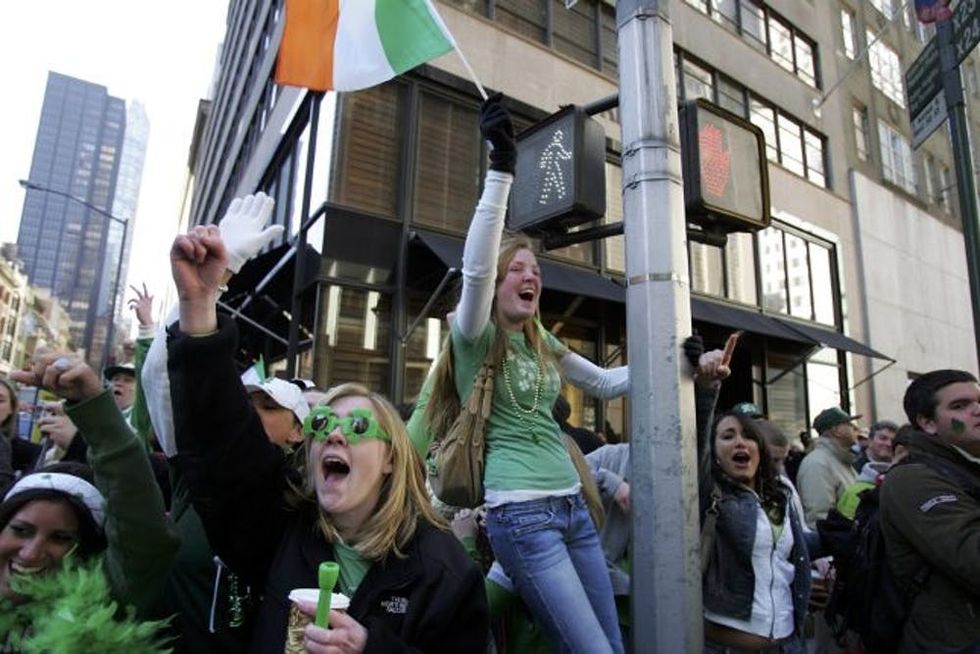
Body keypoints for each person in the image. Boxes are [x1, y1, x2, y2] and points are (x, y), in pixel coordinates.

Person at [166, 222, 488, 652]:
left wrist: (371, 648)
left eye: (356, 427)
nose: (333, 433)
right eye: (319, 424)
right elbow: (223, 446)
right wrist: (199, 306)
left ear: (391, 458)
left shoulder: (442, 569)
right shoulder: (279, 527)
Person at [419, 94, 628, 654]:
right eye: (517, 269)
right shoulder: (474, 337)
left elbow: (609, 384)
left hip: (574, 510)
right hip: (522, 518)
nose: (529, 276)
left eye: (535, 270)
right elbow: (477, 267)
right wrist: (501, 172)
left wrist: (681, 360)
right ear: (498, 286)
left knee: (613, 641)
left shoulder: (544, 343)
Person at [1, 350, 178, 650]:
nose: (30, 554)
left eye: (60, 538)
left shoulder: (101, 606)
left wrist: (94, 407)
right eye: (21, 530)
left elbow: (140, 532)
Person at [879, 369, 980, 652]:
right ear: (928, 423)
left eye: (978, 401)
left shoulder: (966, 467)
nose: (977, 410)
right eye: (960, 406)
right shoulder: (913, 479)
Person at [796, 407, 861, 529]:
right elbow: (818, 519)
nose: (855, 428)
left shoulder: (841, 460)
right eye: (849, 424)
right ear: (836, 430)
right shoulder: (817, 464)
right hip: (836, 544)